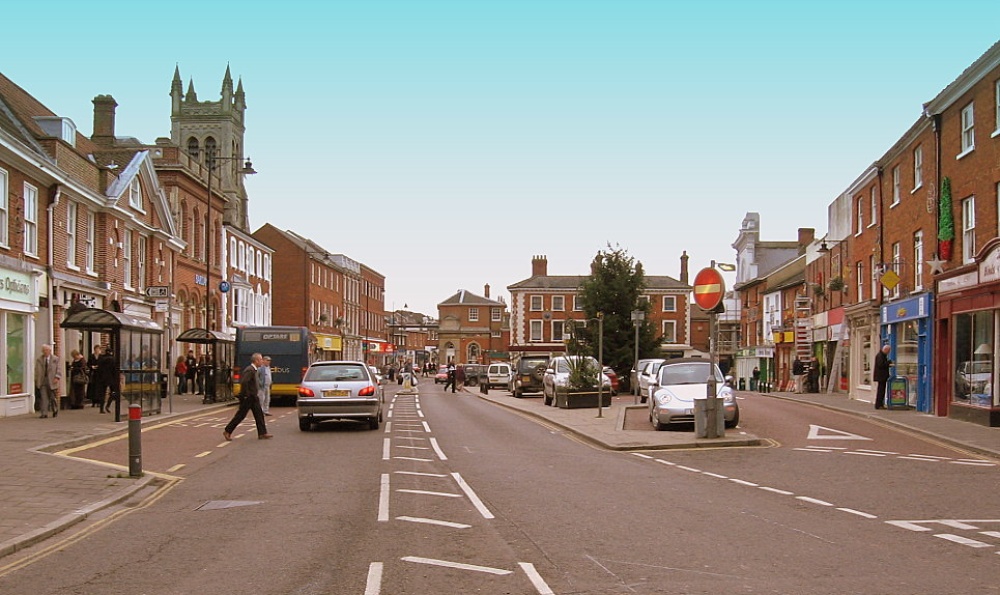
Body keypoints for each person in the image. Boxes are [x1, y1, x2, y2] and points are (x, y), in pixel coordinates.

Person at [224, 353, 272, 441]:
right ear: (256, 360)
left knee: (259, 415)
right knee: (240, 415)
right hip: (248, 397)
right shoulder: (250, 370)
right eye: (260, 359)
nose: (262, 361)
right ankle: (227, 431)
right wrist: (246, 395)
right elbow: (244, 382)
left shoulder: (254, 370)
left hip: (253, 397)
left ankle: (262, 433)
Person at [34, 344, 61, 418]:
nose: (45, 352)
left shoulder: (55, 359)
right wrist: (36, 380)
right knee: (44, 398)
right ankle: (44, 413)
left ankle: (55, 409)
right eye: (43, 350)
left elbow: (59, 369)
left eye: (46, 350)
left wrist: (57, 377)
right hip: (42, 380)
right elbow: (36, 370)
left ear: (50, 351)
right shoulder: (39, 360)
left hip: (52, 380)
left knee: (52, 397)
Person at [96, 347, 120, 414]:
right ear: (111, 352)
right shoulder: (113, 359)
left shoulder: (101, 359)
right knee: (113, 392)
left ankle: (101, 408)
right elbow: (115, 370)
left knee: (102, 394)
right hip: (111, 378)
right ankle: (108, 405)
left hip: (102, 379)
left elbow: (98, 369)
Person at [874, 344, 893, 410]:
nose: (889, 352)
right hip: (881, 376)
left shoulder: (881, 355)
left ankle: (880, 404)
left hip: (881, 376)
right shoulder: (880, 356)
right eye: (888, 351)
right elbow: (880, 365)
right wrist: (888, 363)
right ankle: (879, 405)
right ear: (885, 350)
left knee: (881, 391)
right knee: (881, 391)